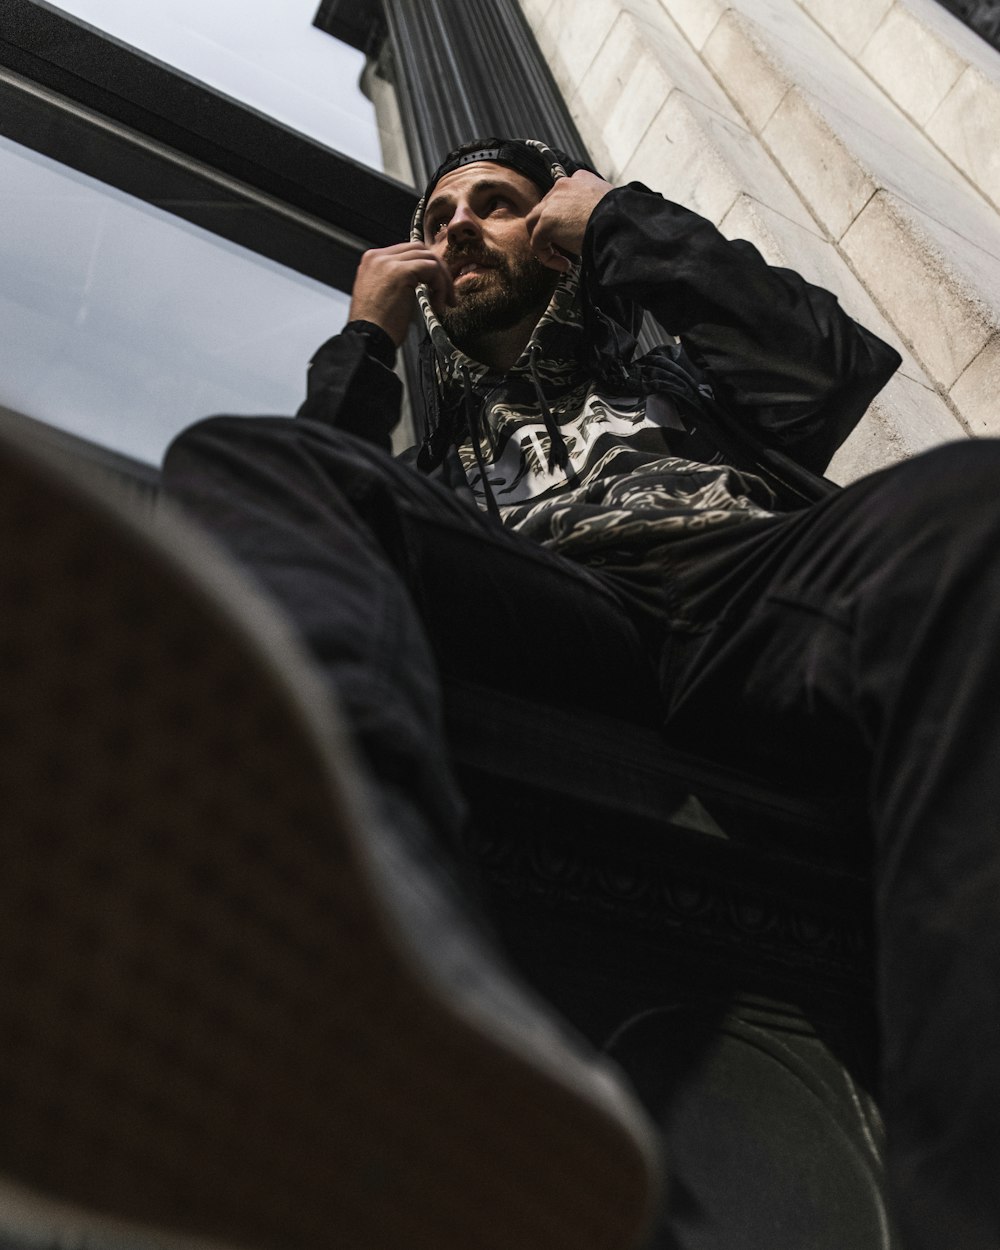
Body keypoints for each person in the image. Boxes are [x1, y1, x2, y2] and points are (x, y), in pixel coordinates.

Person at [2, 135, 996, 1249]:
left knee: (972, 502)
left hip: (748, 582)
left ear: (555, 226)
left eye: (495, 203)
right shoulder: (441, 470)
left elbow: (821, 367)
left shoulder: (671, 370)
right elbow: (313, 486)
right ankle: (334, 907)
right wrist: (363, 338)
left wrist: (614, 218)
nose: (458, 224)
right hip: (565, 608)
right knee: (249, 456)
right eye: (437, 217)